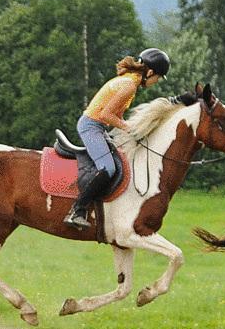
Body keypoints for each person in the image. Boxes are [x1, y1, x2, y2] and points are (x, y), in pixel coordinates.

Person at [64, 48, 170, 229]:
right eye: (158, 77)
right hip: (91, 126)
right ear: (150, 72)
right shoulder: (129, 85)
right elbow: (106, 115)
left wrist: (131, 130)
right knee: (108, 168)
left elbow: (114, 116)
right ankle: (77, 210)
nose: (156, 81)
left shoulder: (129, 81)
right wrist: (130, 128)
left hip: (97, 126)